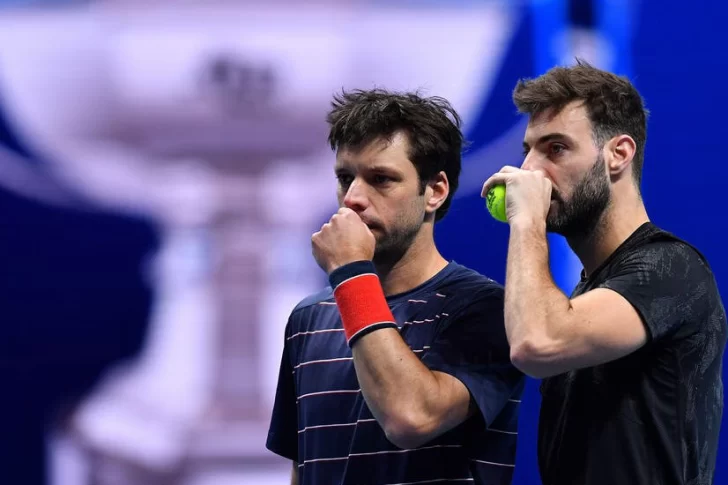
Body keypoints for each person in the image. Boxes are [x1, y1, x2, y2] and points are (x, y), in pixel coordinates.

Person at [481, 59, 727, 485]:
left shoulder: (670, 268)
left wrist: (525, 222)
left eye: (555, 148)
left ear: (618, 154)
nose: (529, 172)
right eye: (528, 151)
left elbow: (536, 342)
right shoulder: (587, 292)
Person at [266, 89, 525, 485]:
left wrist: (351, 272)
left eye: (380, 179)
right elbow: (303, 470)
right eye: (344, 178)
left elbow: (411, 417)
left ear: (435, 191)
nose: (352, 199)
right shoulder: (308, 319)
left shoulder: (488, 309)